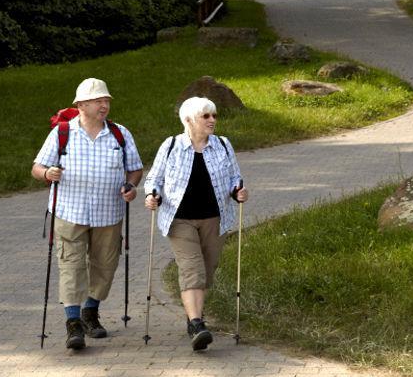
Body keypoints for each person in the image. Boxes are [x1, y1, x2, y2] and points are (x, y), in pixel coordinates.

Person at [31, 78, 143, 351]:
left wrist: (131, 186)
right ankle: (73, 324)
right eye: (98, 101)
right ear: (81, 105)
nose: (104, 105)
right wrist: (47, 173)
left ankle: (90, 311)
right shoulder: (62, 133)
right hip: (69, 211)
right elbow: (37, 167)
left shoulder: (120, 134)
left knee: (105, 265)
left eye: (106, 101)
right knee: (71, 265)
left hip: (109, 213)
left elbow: (135, 168)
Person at [143, 96, 249, 351]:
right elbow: (153, 179)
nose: (212, 120)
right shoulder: (171, 146)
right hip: (180, 220)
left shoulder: (223, 145)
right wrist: (152, 194)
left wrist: (238, 191)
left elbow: (235, 176)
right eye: (206, 116)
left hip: (215, 218)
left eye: (213, 115)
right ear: (189, 120)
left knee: (207, 270)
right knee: (193, 269)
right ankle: (197, 324)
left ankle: (192, 314)